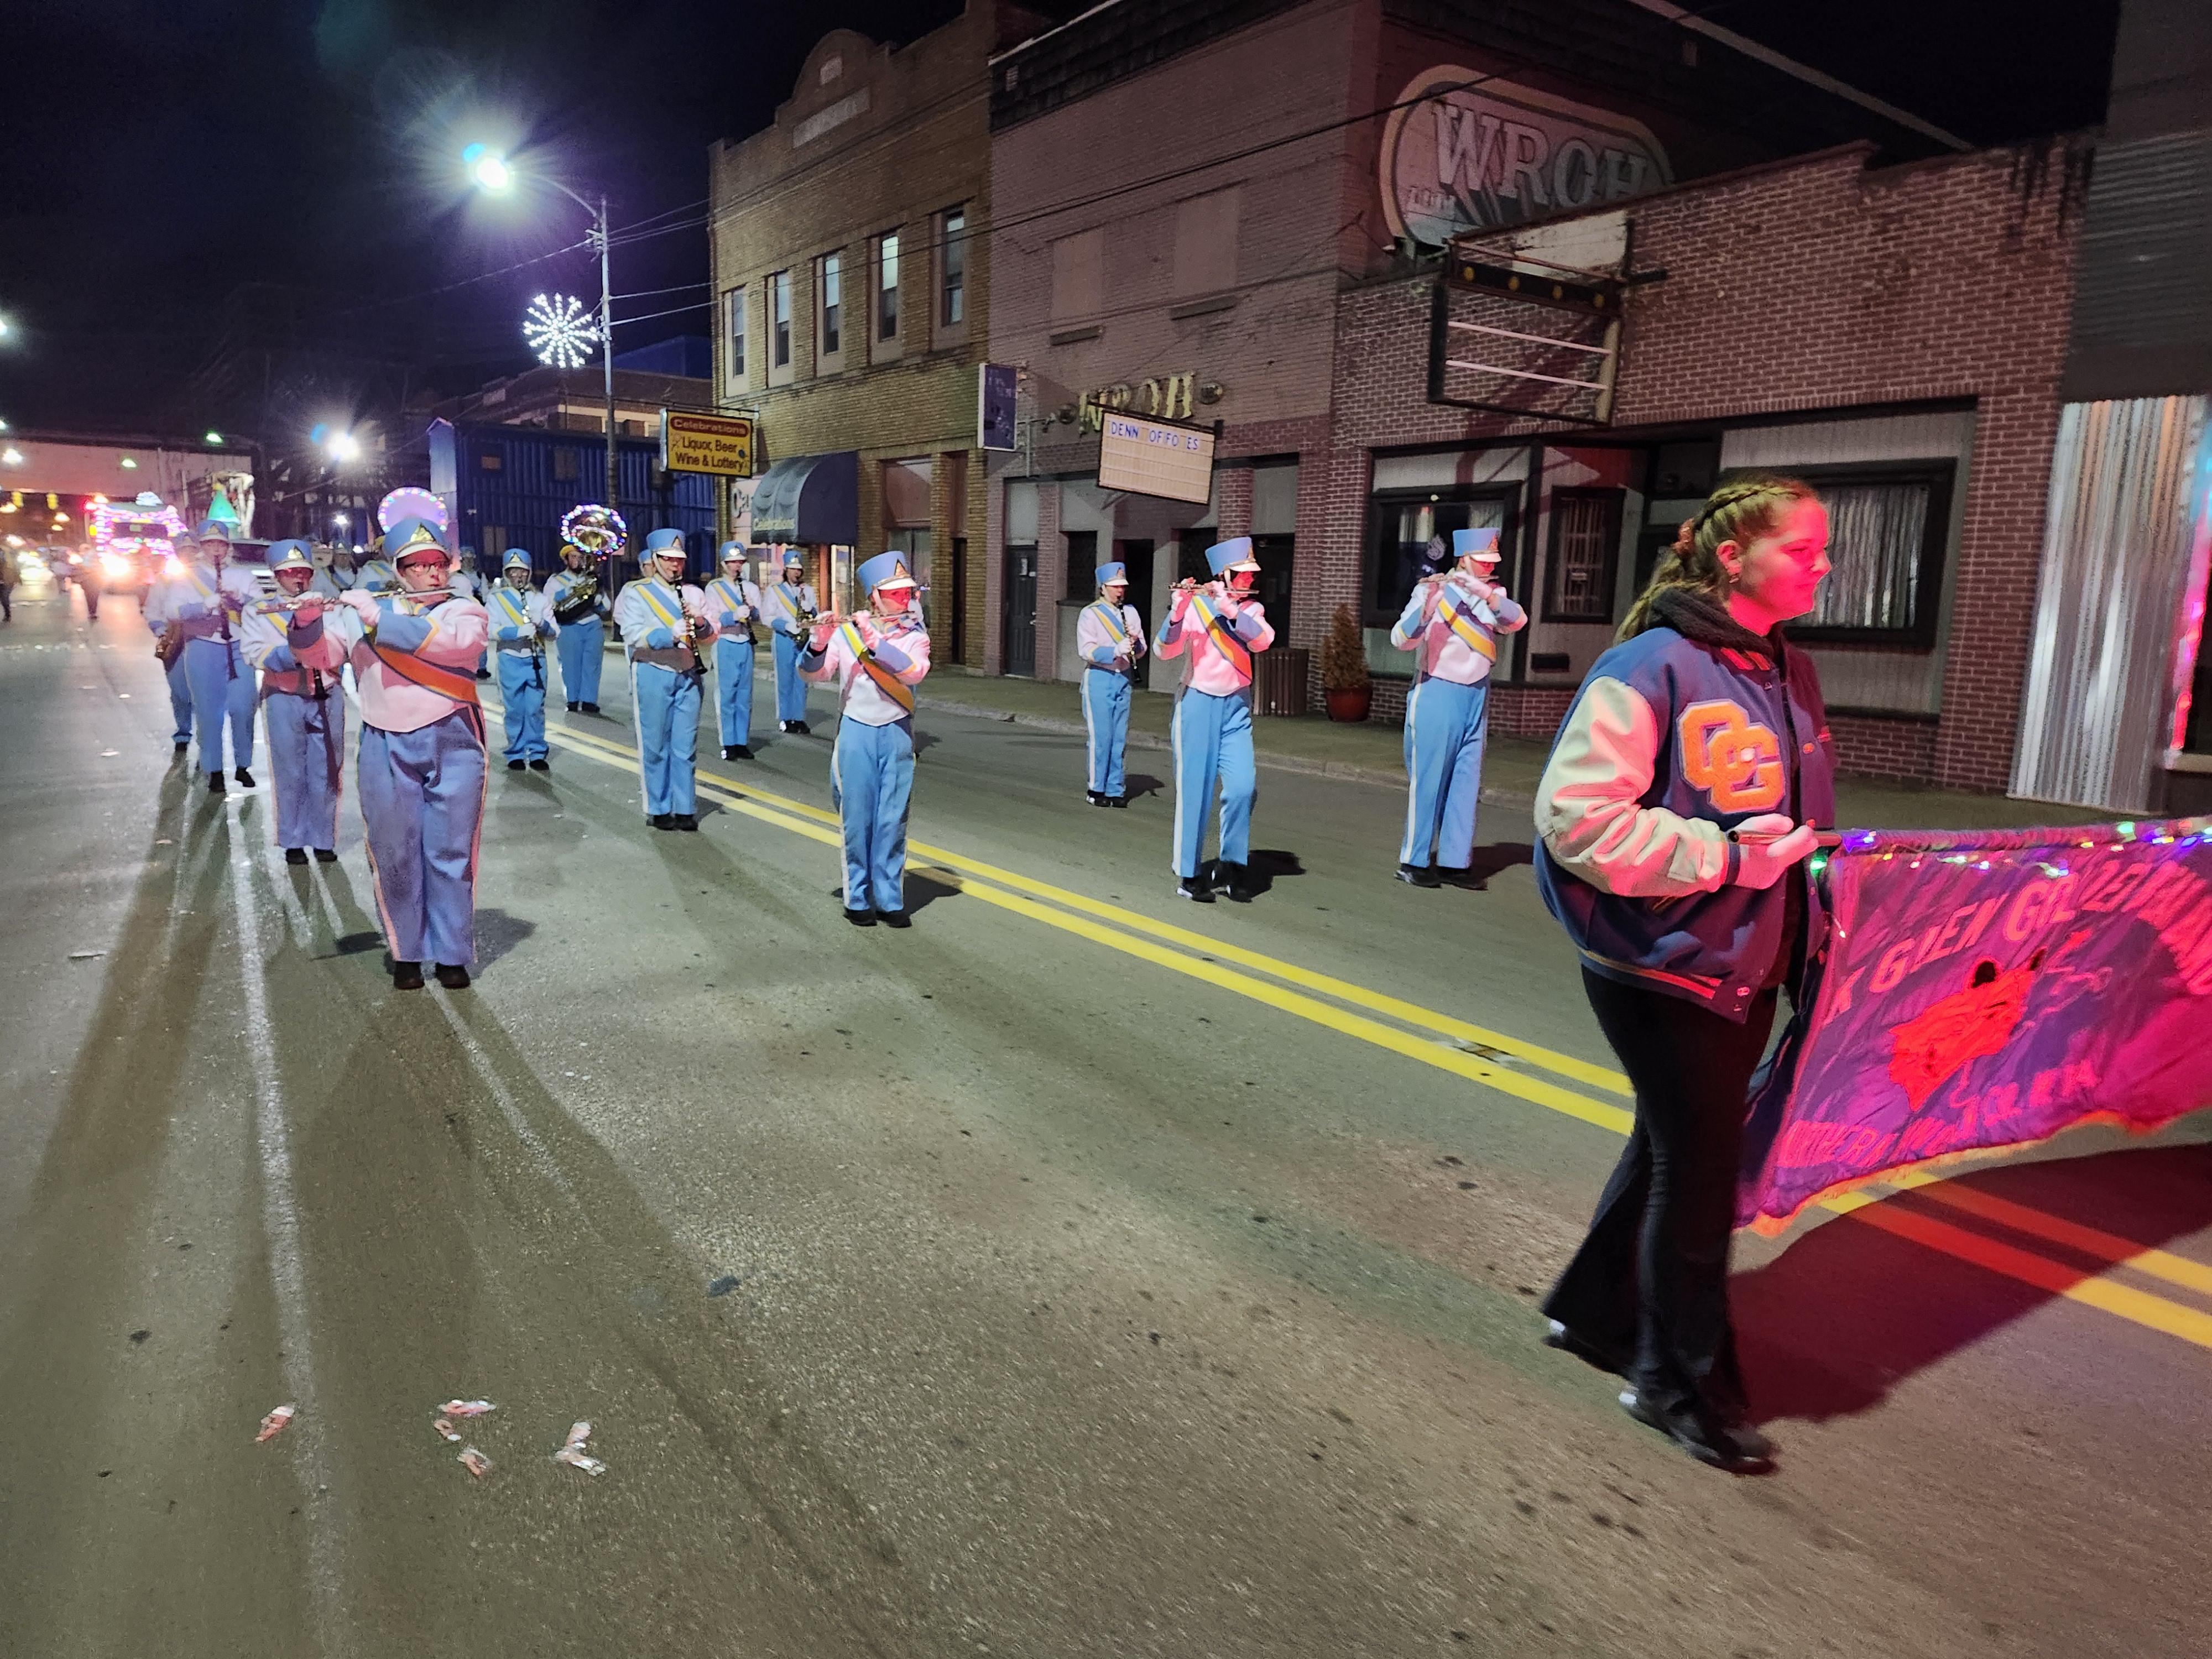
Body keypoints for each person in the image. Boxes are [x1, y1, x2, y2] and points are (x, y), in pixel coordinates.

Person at [1534, 474, 1835, 1475]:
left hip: (1740, 960)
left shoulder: (1787, 669)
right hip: (1662, 966)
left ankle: (1593, 1312)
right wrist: (1728, 861)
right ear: (1732, 556)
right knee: (1701, 1173)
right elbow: (1578, 822)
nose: (1824, 565)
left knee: (1672, 1148)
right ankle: (1676, 1384)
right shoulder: (1649, 664)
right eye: (1804, 549)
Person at [294, 515, 490, 990]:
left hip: (454, 738)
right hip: (384, 739)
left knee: (451, 852)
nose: (431, 573)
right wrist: (305, 621)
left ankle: (451, 953)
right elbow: (319, 658)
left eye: (437, 563)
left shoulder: (465, 610)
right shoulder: (359, 614)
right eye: (418, 565)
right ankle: (407, 950)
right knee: (395, 852)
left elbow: (456, 649)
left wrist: (380, 620)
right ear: (399, 570)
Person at [1391, 526, 1527, 889]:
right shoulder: (1431, 589)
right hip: (1438, 690)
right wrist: (1428, 610)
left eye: (1490, 563)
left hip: (1477, 695)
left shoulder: (1494, 594)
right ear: (1464, 559)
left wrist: (1485, 592)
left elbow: (1517, 621)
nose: (1487, 568)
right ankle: (1414, 860)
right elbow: (1400, 640)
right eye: (1481, 563)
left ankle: (1455, 862)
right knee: (1429, 782)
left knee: (1467, 783)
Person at [800, 551, 930, 926]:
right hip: (856, 728)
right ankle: (857, 896)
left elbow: (914, 672)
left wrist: (876, 643)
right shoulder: (847, 632)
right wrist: (820, 643)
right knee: (857, 819)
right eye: (897, 592)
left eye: (908, 592)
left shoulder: (914, 635)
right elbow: (815, 675)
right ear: (875, 595)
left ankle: (890, 898)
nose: (905, 598)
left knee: (893, 819)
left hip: (897, 731)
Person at [1157, 536, 1275, 903]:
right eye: (1239, 574)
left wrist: (1232, 611)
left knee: (1243, 787)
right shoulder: (1198, 606)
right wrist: (1177, 611)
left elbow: (1263, 641)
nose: (1246, 581)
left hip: (1236, 707)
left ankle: (1232, 866)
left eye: (1248, 575)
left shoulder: (1249, 610)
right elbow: (1165, 650)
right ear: (1223, 574)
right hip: (1198, 703)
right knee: (1195, 792)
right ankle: (1190, 874)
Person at [239, 541, 344, 864]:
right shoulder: (258, 609)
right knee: (290, 770)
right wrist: (293, 654)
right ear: (277, 576)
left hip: (326, 692)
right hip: (283, 694)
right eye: (290, 572)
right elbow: (253, 652)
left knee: (327, 768)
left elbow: (343, 643)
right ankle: (293, 839)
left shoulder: (331, 607)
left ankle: (324, 838)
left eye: (304, 571)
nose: (298, 578)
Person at [615, 528, 717, 830]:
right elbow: (632, 634)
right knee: (656, 744)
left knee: (685, 746)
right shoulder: (638, 592)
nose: (675, 565)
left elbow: (711, 638)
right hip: (654, 672)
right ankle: (659, 807)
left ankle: (685, 807)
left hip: (688, 673)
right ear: (655, 560)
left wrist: (700, 622)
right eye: (668, 559)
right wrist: (668, 635)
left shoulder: (694, 594)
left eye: (679, 560)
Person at [159, 519, 263, 793]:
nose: (215, 550)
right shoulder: (187, 576)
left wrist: (241, 599)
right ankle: (214, 769)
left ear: (227, 547)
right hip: (203, 647)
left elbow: (262, 610)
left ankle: (243, 765)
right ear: (202, 547)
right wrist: (203, 606)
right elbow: (172, 610)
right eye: (209, 544)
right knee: (209, 713)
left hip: (239, 647)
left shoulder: (244, 576)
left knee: (243, 707)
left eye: (220, 544)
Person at [1077, 560, 1147, 807]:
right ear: (1103, 587)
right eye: (1115, 586)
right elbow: (1086, 650)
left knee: (1119, 737)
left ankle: (1115, 789)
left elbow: (1141, 650)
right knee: (1102, 737)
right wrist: (1115, 649)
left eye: (1122, 586)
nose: (1120, 591)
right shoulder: (1090, 613)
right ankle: (1096, 789)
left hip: (1123, 678)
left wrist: (1135, 644)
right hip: (1099, 676)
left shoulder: (1131, 613)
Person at [486, 550, 557, 771]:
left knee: (535, 708)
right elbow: (489, 630)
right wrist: (515, 631)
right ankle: (515, 752)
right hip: (510, 659)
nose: (519, 575)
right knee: (515, 709)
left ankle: (537, 752)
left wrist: (542, 625)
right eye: (513, 571)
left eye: (523, 571)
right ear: (507, 573)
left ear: (529, 573)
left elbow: (555, 632)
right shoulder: (496, 599)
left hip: (536, 659)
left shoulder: (540, 599)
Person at [705, 540, 762, 760]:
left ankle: (741, 741)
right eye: (732, 563)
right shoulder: (714, 588)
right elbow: (712, 616)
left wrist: (752, 612)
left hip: (745, 642)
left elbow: (759, 617)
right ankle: (728, 742)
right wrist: (733, 615)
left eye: (739, 562)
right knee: (727, 694)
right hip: (726, 641)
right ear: (723, 564)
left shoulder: (750, 588)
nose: (736, 566)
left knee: (745, 695)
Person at [545, 542, 608, 713]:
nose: (578, 561)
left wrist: (597, 601)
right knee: (570, 664)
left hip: (592, 624)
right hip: (568, 626)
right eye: (574, 557)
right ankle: (572, 699)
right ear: (566, 560)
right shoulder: (556, 580)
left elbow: (606, 606)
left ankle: (589, 701)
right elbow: (547, 602)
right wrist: (567, 592)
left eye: (582, 557)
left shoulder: (591, 579)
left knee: (592, 664)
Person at [762, 547, 818, 734]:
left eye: (799, 569)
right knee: (785, 679)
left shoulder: (807, 590)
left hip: (803, 639)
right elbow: (766, 617)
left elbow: (815, 615)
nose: (797, 572)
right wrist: (785, 625)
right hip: (783, 638)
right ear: (786, 570)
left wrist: (812, 611)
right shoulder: (775, 591)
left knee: (801, 679)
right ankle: (786, 718)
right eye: (793, 569)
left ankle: (799, 718)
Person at [0, 539, 15, 622]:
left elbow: (14, 566)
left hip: (7, 579)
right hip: (6, 579)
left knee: (4, 597)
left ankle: (7, 614)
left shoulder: (7, 552)